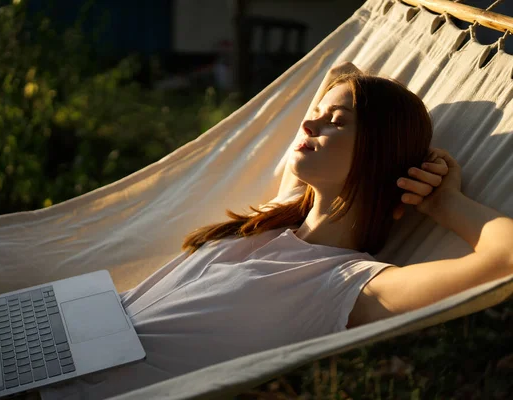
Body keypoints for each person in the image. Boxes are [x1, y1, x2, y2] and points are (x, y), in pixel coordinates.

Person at [40, 63, 513, 399]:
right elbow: (341, 71)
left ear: (376, 156)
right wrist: (344, 102)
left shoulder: (346, 286)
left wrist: (443, 201)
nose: (309, 121)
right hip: (55, 349)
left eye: (336, 123)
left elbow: (505, 259)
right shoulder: (280, 213)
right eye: (319, 115)